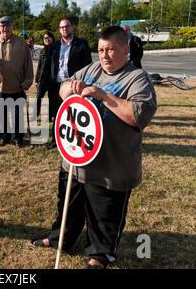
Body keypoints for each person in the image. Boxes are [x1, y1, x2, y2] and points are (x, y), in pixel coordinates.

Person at [31, 26, 157, 269]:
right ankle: (60, 239)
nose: (104, 56)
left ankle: (99, 255)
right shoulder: (92, 69)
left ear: (125, 49)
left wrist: (103, 96)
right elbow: (64, 87)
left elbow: (138, 116)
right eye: (100, 50)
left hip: (111, 166)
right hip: (77, 158)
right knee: (68, 204)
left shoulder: (137, 78)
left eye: (110, 50)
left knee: (104, 214)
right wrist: (70, 89)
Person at [0, 16, 34, 148]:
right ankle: (4, 136)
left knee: (18, 116)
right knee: (1, 115)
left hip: (17, 87)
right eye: (2, 26)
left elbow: (28, 65)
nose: (5, 28)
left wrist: (26, 83)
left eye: (8, 25)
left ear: (12, 26)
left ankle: (18, 138)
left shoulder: (21, 43)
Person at [47, 18, 92, 149]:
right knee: (57, 113)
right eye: (61, 27)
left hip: (74, 85)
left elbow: (87, 66)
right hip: (56, 85)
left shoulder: (82, 45)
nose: (64, 29)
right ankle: (55, 140)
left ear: (72, 28)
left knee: (73, 114)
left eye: (66, 26)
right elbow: (48, 66)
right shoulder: (53, 46)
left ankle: (74, 139)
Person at [34, 31, 55, 118]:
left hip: (52, 80)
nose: (46, 39)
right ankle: (35, 115)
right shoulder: (42, 50)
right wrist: (36, 80)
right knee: (38, 98)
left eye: (48, 37)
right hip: (42, 79)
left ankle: (49, 117)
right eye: (44, 38)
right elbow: (39, 66)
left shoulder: (56, 50)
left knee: (51, 100)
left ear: (52, 38)